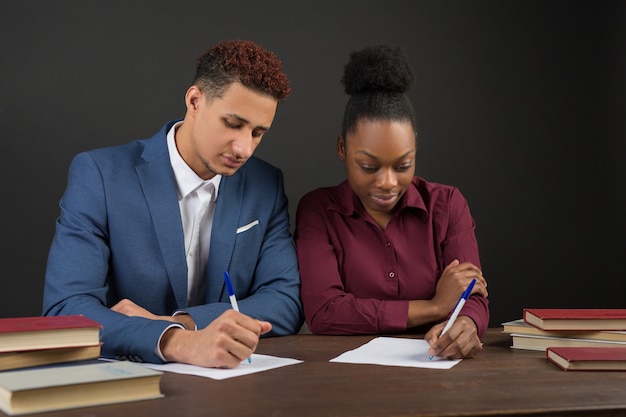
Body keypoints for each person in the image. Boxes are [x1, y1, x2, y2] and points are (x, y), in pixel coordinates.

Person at [43, 40, 303, 368]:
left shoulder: (265, 185)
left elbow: (285, 301)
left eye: (258, 132)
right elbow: (65, 308)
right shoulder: (100, 175)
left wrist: (187, 322)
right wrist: (176, 341)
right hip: (124, 383)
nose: (244, 148)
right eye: (233, 124)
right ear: (195, 101)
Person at [294, 44, 489, 359]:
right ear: (342, 147)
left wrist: (467, 322)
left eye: (403, 166)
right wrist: (436, 307)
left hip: (435, 365)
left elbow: (472, 295)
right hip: (346, 375)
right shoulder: (319, 211)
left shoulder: (448, 204)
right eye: (369, 167)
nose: (387, 183)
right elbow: (325, 313)